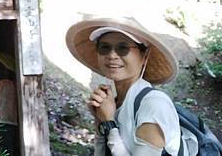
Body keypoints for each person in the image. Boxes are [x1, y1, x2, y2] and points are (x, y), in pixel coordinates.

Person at [66, 17, 196, 156]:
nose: (112, 55)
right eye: (104, 47)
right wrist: (100, 122)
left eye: (123, 48)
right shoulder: (114, 104)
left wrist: (109, 124)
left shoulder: (154, 105)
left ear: (144, 56)